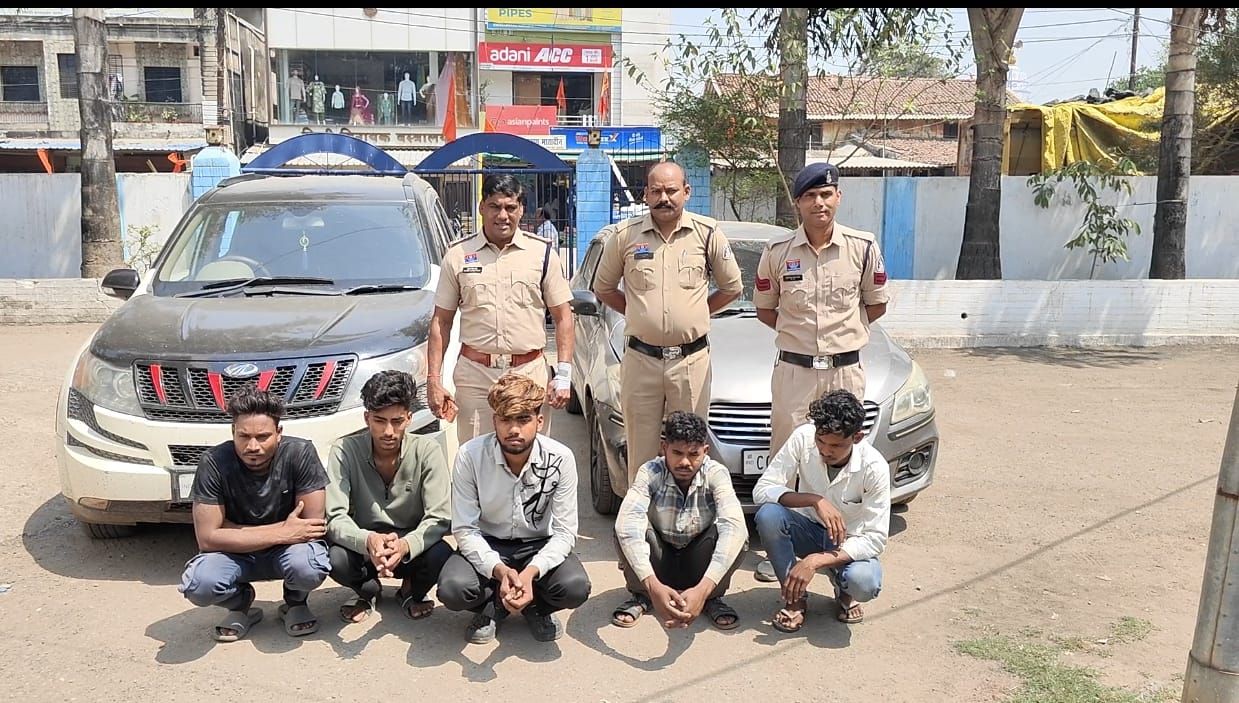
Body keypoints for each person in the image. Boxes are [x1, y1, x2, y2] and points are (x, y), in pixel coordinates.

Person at [752, 162, 890, 584]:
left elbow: (876, 304)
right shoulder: (778, 252)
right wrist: (802, 340)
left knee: (847, 454)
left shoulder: (862, 247)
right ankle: (784, 550)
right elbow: (766, 310)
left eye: (826, 194)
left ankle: (845, 546)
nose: (819, 203)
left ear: (838, 197)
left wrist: (838, 338)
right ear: (798, 203)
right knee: (788, 456)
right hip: (795, 372)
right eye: (810, 196)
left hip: (845, 371)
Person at [591, 161, 743, 484]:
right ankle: (642, 514)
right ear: (645, 194)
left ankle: (687, 513)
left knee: (689, 450)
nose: (664, 198)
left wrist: (697, 313)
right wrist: (637, 312)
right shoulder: (625, 236)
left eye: (671, 190)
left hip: (690, 361)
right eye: (656, 191)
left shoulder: (707, 233)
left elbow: (732, 288)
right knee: (641, 454)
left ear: (686, 192)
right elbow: (603, 289)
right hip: (641, 360)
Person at [436, 374, 591, 644]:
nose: (514, 429)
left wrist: (531, 572)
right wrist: (499, 570)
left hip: (538, 543)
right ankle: (493, 607)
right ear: (494, 421)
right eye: (506, 420)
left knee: (575, 587)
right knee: (453, 589)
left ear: (539, 421)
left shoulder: (560, 458)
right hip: (488, 542)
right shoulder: (470, 456)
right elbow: (465, 529)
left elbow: (565, 532)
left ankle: (537, 608)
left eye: (523, 419)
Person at [428, 173, 575, 444]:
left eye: (510, 207)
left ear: (521, 209)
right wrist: (433, 380)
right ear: (482, 207)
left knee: (530, 457)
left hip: (529, 373)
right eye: (494, 206)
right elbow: (441, 321)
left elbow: (563, 316)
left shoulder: (542, 254)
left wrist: (564, 375)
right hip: (476, 378)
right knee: (477, 455)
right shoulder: (458, 255)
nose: (502, 215)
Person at [178, 386, 330, 642]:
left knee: (309, 566)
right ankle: (241, 604)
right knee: (199, 585)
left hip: (286, 552)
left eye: (262, 437)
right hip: (235, 556)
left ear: (279, 433)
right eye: (244, 436)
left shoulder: (300, 453)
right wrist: (283, 532)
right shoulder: (213, 462)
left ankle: (295, 602)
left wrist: (229, 529)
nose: (252, 446)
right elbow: (207, 539)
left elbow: (311, 529)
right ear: (233, 432)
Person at [752, 390, 890, 633]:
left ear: (857, 437)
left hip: (848, 543)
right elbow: (762, 490)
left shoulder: (874, 467)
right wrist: (814, 500)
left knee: (864, 582)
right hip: (807, 530)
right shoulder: (803, 437)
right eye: (820, 441)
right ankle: (794, 599)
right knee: (768, 515)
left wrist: (814, 561)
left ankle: (845, 591)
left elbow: (875, 538)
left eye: (836, 445)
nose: (825, 450)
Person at [325, 370, 452, 624]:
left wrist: (405, 545)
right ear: (367, 418)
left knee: (441, 554)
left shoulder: (428, 450)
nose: (388, 431)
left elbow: (439, 517)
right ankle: (367, 591)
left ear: (409, 418)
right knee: (334, 557)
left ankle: (410, 591)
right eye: (379, 421)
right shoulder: (344, 450)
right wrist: (367, 540)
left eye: (397, 421)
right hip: (364, 544)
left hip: (410, 546)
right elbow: (334, 516)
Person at [611, 411, 746, 631]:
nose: (685, 462)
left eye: (693, 454)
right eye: (677, 453)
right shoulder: (650, 471)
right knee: (626, 527)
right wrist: (652, 585)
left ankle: (710, 597)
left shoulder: (716, 473)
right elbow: (627, 524)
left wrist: (703, 589)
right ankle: (643, 595)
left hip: (698, 560)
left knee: (736, 535)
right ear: (664, 448)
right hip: (659, 557)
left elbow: (735, 526)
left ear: (705, 451)